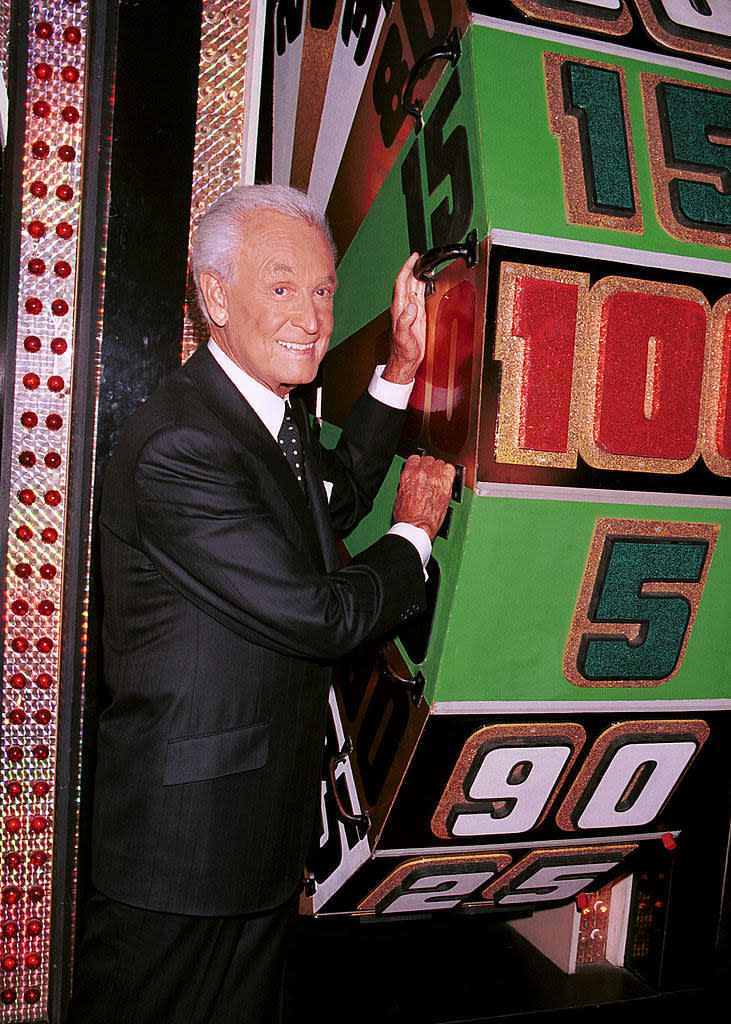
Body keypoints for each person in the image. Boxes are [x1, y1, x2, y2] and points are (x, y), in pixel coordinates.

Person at [67, 184, 455, 1023]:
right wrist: (415, 535)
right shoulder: (184, 442)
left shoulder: (266, 423)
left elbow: (336, 495)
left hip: (255, 851)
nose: (313, 318)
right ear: (215, 296)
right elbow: (322, 614)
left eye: (321, 292)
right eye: (282, 289)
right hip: (181, 862)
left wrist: (400, 370)